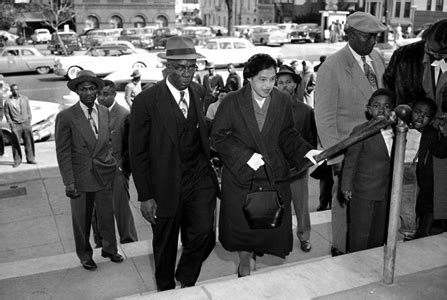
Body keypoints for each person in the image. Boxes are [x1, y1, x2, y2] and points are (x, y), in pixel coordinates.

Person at [210, 53, 321, 277]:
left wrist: (306, 150)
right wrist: (244, 156)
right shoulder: (232, 101)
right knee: (243, 230)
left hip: (271, 176)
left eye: (272, 79)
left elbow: (288, 134)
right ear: (249, 78)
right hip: (241, 177)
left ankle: (255, 257)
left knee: (267, 227)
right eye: (262, 79)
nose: (269, 85)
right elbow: (218, 137)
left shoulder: (282, 100)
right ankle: (244, 265)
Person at [129, 36, 219, 291]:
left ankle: (186, 276)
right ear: (166, 67)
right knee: (165, 245)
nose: (187, 73)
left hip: (198, 179)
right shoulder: (146, 101)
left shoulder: (199, 92)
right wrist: (145, 195)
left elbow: (200, 133)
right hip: (164, 185)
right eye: (180, 67)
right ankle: (166, 290)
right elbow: (138, 153)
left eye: (192, 67)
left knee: (204, 234)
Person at [315, 12, 387, 256]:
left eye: (375, 37)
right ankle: (342, 250)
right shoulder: (332, 66)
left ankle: (368, 249)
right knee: (344, 205)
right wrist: (335, 159)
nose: (373, 42)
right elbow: (324, 118)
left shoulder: (377, 59)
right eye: (367, 37)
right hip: (348, 153)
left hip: (376, 152)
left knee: (371, 207)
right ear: (350, 34)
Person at [55, 70, 123, 270]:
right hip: (80, 177)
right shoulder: (66, 117)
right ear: (77, 92)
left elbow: (106, 142)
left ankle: (110, 249)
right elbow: (63, 152)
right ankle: (85, 255)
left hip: (103, 173)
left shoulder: (103, 111)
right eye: (83, 89)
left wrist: (111, 162)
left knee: (106, 215)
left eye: (92, 88)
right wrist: (69, 182)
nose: (88, 93)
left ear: (97, 90)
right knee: (82, 220)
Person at [384, 19, 447, 233]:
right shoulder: (404, 56)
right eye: (433, 50)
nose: (436, 56)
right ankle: (407, 228)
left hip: (440, 138)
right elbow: (390, 86)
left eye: (442, 54)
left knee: (434, 192)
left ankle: (429, 228)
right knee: (408, 187)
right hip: (410, 135)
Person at [341, 89, 395, 252]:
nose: (381, 110)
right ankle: (355, 262)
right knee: (360, 231)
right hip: (363, 190)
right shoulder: (361, 131)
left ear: (392, 110)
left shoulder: (397, 131)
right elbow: (351, 161)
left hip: (385, 190)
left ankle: (373, 260)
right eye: (376, 106)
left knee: (379, 231)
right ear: (369, 109)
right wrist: (346, 186)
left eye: (386, 106)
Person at [276, 64, 318, 252]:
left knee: (301, 206)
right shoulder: (268, 110)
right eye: (280, 82)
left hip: (298, 170)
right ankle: (277, 239)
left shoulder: (306, 111)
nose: (284, 86)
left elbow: (311, 141)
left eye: (288, 82)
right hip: (276, 169)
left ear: (295, 85)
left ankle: (304, 236)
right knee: (276, 206)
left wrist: (303, 165)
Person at [92, 80, 138, 245]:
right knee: (97, 210)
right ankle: (101, 242)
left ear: (113, 95)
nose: (100, 98)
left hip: (116, 170)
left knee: (121, 208)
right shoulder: (93, 113)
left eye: (105, 94)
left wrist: (123, 168)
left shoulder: (124, 115)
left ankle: (129, 240)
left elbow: (131, 146)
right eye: (98, 94)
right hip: (96, 171)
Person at [411, 98, 447, 238]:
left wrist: (444, 135)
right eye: (417, 112)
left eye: (426, 116)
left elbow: (440, 151)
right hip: (405, 178)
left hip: (425, 182)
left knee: (425, 214)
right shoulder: (401, 128)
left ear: (431, 120)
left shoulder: (431, 133)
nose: (420, 117)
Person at [4, 83, 36, 167]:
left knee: (29, 142)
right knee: (15, 144)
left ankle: (31, 158)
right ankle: (17, 160)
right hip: (16, 125)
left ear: (19, 90)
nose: (15, 91)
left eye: (17, 89)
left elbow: (28, 110)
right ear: (11, 91)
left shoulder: (25, 99)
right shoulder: (8, 101)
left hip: (26, 124)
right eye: (13, 89)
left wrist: (29, 120)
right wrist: (11, 124)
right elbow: (7, 114)